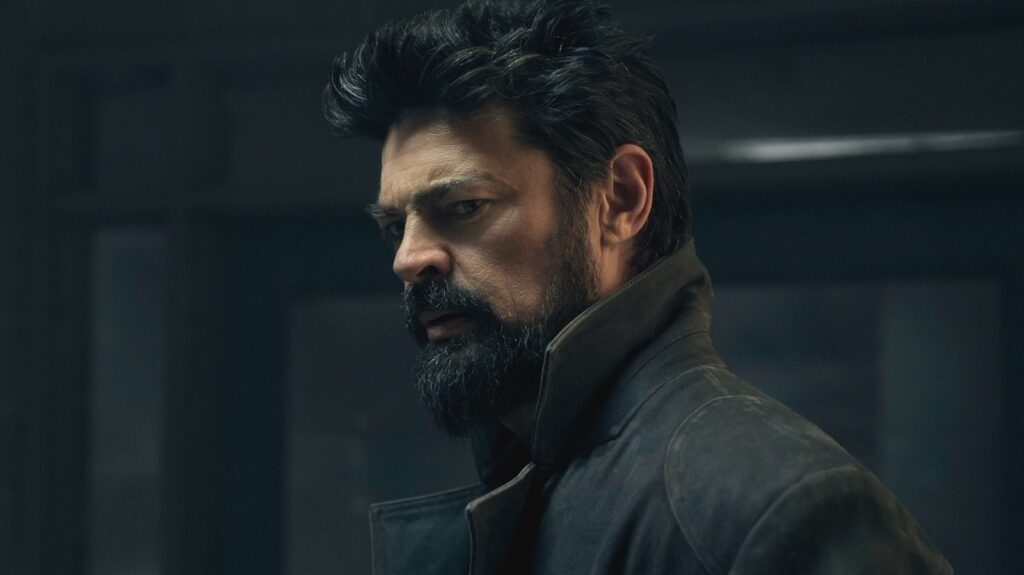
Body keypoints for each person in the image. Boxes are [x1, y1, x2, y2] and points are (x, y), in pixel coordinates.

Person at [322, 1, 953, 573]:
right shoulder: (543, 473)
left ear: (620, 200)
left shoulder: (773, 511)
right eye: (395, 226)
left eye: (464, 207)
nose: (409, 258)